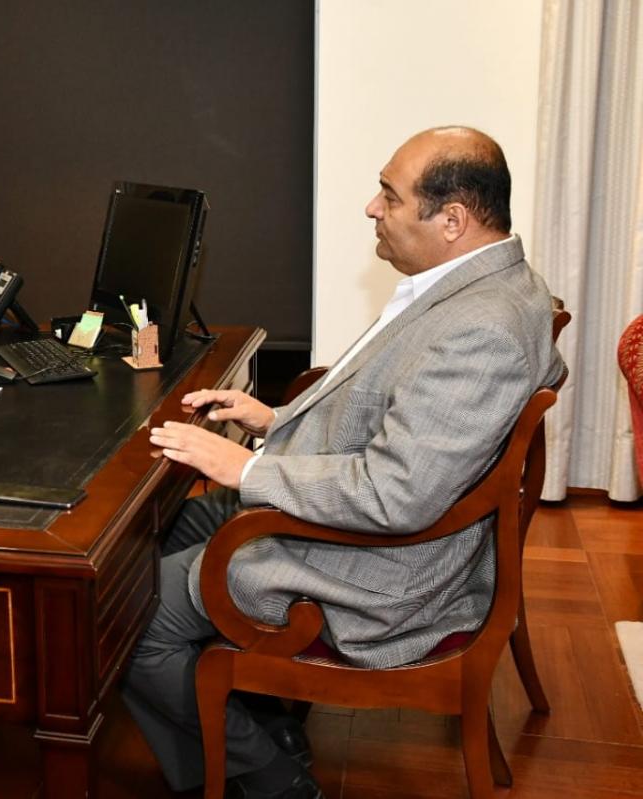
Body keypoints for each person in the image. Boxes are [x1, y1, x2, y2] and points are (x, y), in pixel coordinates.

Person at [123, 127, 567, 799]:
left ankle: (272, 778)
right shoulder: (490, 283)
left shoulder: (484, 330)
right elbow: (403, 414)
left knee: (124, 617)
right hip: (374, 524)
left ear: (452, 220)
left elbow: (398, 494)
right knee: (155, 537)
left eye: (390, 195)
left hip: (380, 570)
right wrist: (275, 421)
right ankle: (267, 722)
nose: (371, 207)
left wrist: (246, 469)